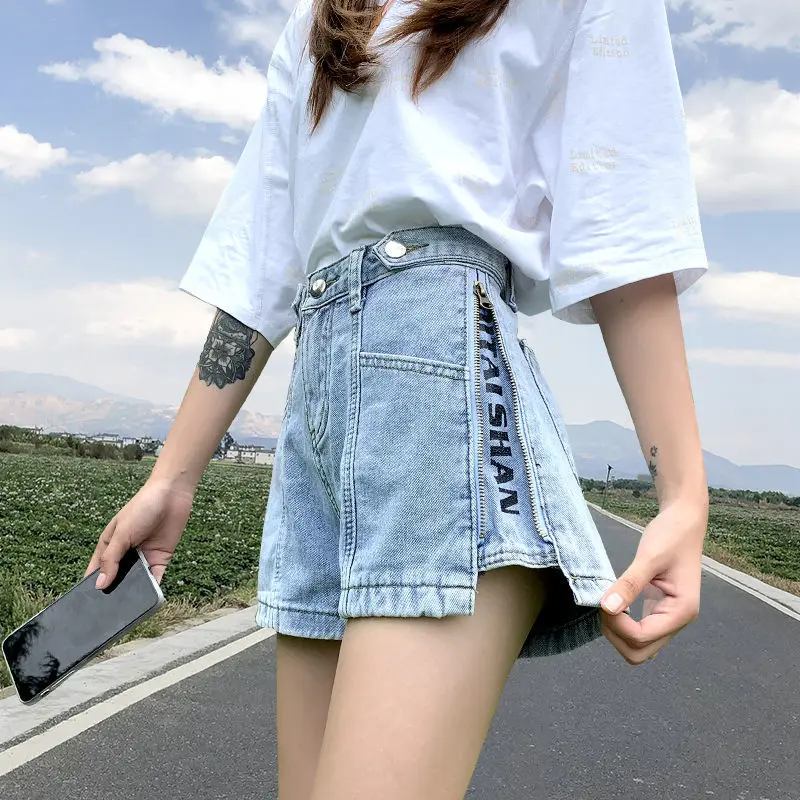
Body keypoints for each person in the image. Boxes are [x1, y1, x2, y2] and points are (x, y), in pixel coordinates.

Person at [85, 0, 710, 796]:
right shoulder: (318, 21)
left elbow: (624, 218)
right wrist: (171, 478)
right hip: (318, 412)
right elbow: (262, 264)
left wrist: (684, 493)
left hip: (441, 395)